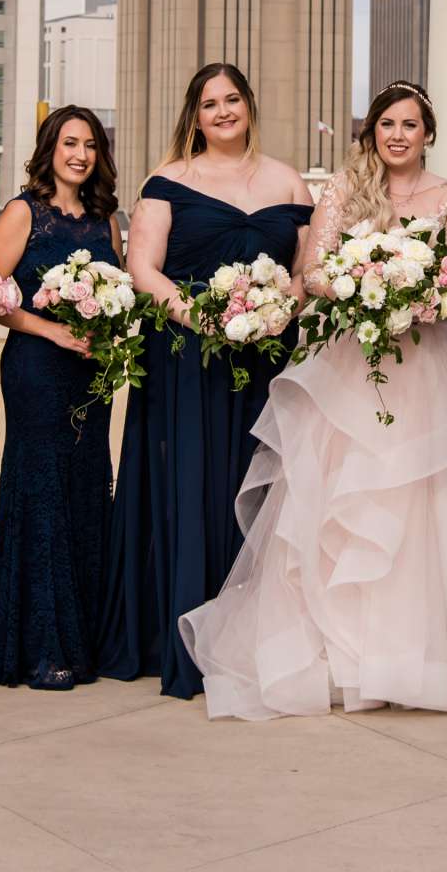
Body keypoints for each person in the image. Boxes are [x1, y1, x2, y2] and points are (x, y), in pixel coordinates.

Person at [183, 80, 447, 718]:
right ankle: (341, 658)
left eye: (409, 124)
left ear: (427, 132)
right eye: (386, 125)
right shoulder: (344, 192)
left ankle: (412, 660)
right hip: (350, 367)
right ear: (371, 132)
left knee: (418, 510)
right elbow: (311, 273)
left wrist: (412, 295)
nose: (398, 135)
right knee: (340, 504)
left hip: (422, 369)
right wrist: (360, 277)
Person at [102, 63, 313, 699]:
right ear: (194, 116)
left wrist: (276, 310)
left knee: (258, 487)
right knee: (192, 487)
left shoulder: (288, 180)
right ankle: (185, 640)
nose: (222, 112)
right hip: (186, 359)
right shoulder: (169, 180)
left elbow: (309, 269)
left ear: (249, 104)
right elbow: (143, 266)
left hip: (264, 357)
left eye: (232, 100)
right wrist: (204, 317)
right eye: (208, 103)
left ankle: (254, 638)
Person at [0, 105, 122, 691]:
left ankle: (85, 639)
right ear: (48, 149)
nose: (80, 154)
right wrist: (53, 328)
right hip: (37, 369)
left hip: (93, 373)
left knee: (87, 485)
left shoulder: (107, 219)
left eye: (89, 144)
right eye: (69, 143)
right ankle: (39, 646)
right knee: (41, 491)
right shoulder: (21, 212)